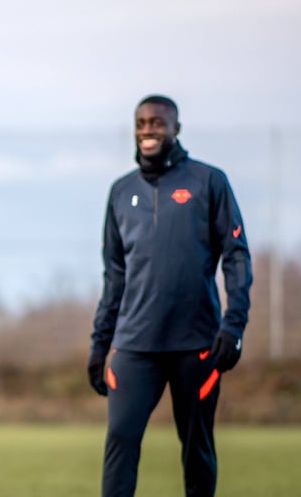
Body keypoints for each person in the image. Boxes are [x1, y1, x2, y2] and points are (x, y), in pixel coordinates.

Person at [88, 95, 252, 497]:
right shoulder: (120, 191)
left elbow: (236, 256)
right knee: (120, 443)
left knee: (197, 451)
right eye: (141, 123)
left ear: (176, 128)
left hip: (196, 344)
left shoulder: (209, 182)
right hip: (134, 346)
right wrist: (99, 344)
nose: (148, 130)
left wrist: (234, 325)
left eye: (157, 123)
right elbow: (115, 277)